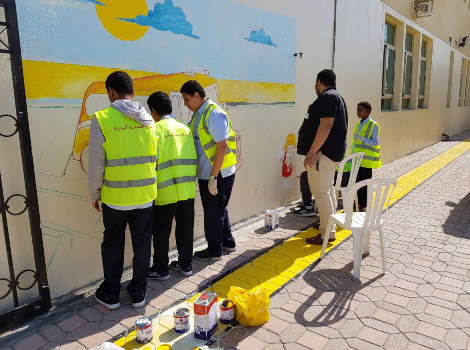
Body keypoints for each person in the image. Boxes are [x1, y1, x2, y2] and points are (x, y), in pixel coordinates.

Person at [88, 71, 158, 310]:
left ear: (110, 91)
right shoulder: (148, 120)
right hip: (145, 196)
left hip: (116, 198)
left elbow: (97, 162)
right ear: (133, 93)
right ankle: (138, 294)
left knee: (113, 245)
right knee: (142, 245)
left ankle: (110, 295)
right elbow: (154, 158)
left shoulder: (102, 118)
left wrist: (95, 193)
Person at [180, 80, 237, 260]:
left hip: (216, 173)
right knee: (219, 208)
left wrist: (213, 176)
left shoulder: (213, 114)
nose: (185, 104)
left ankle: (214, 251)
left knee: (213, 213)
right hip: (211, 172)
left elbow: (222, 145)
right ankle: (228, 242)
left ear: (197, 95)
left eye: (187, 99)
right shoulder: (199, 113)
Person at [146, 92, 197, 280]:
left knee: (161, 231)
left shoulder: (155, 129)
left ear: (153, 111)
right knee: (185, 228)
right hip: (187, 190)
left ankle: (161, 268)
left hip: (165, 191)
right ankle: (186, 264)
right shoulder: (185, 129)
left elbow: (154, 161)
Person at [297, 69, 348, 245]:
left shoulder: (327, 98)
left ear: (319, 82)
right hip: (330, 154)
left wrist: (312, 152)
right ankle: (329, 227)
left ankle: (327, 232)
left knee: (320, 192)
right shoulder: (337, 97)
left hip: (323, 155)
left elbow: (326, 125)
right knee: (327, 190)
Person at [341, 101, 382, 211]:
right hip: (356, 160)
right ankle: (357, 202)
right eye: (357, 110)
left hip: (366, 161)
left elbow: (375, 142)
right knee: (356, 183)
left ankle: (364, 205)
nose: (357, 112)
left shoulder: (373, 125)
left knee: (365, 184)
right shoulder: (358, 125)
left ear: (367, 111)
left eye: (360, 110)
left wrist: (363, 140)